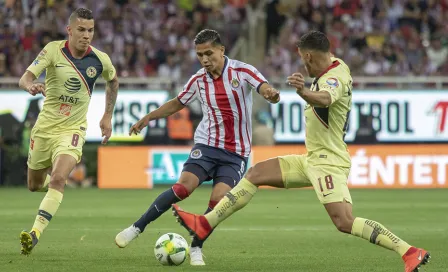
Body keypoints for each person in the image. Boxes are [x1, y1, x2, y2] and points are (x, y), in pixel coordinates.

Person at [172, 31, 430, 272]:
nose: (303, 66)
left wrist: (303, 91)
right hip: (311, 159)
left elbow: (326, 98)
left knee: (344, 222)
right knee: (255, 173)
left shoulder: (333, 78)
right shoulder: (335, 64)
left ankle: (408, 251)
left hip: (328, 162)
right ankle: (205, 223)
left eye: (302, 59)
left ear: (307, 56)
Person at [115, 29, 280, 266]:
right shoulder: (198, 80)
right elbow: (177, 103)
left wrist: (271, 94)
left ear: (222, 50)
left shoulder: (242, 71)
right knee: (183, 188)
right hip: (207, 144)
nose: (204, 59)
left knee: (219, 199)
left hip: (236, 153)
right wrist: (149, 117)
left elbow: (262, 86)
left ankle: (196, 248)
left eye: (209, 53)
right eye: (200, 55)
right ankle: (136, 227)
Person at [18, 8, 119, 255]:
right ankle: (54, 191)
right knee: (33, 185)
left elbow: (113, 80)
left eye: (91, 30)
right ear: (70, 30)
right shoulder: (53, 50)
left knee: (59, 178)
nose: (87, 35)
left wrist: (107, 115)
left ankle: (34, 233)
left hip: (73, 129)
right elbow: (24, 78)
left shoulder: (100, 59)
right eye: (82, 30)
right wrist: (30, 85)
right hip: (44, 129)